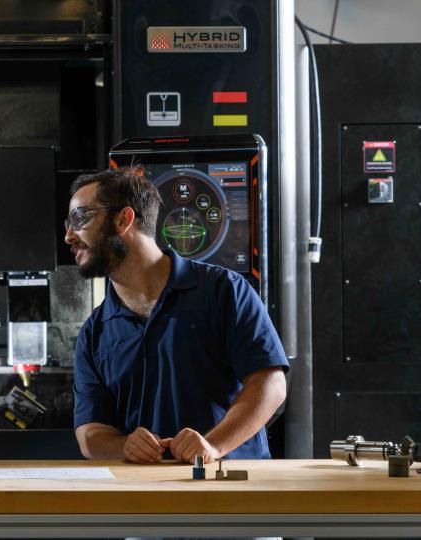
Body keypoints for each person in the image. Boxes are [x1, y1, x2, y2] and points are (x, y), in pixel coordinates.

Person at [65, 169, 288, 464]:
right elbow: (90, 433)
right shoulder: (96, 330)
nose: (69, 236)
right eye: (69, 223)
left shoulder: (224, 291)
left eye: (81, 218)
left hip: (232, 490)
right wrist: (124, 446)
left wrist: (212, 447)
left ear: (123, 220)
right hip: (145, 499)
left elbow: (270, 384)